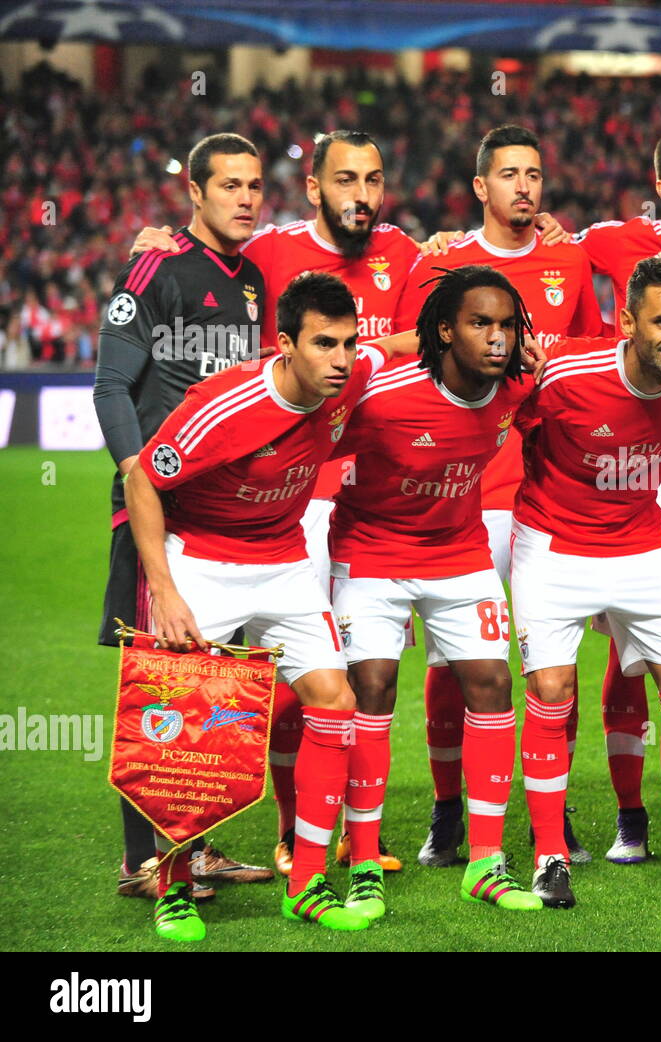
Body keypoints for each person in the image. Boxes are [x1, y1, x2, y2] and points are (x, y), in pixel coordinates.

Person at [130, 130, 422, 874]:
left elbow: (402, 348)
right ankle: (170, 875)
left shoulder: (351, 369)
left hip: (286, 550)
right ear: (286, 342)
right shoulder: (224, 407)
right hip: (205, 556)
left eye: (348, 345)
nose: (341, 359)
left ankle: (308, 862)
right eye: (325, 345)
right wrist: (163, 588)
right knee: (187, 719)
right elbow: (143, 477)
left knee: (334, 698)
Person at [394, 125, 602, 869]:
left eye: (535, 173)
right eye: (509, 174)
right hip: (458, 493)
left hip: (543, 494)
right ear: (480, 188)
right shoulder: (441, 262)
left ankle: (556, 806)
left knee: (555, 659)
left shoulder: (569, 258)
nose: (525, 186)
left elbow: (585, 359)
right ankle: (448, 813)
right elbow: (413, 365)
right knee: (455, 664)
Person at [510, 256, 661, 906]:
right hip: (554, 546)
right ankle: (550, 855)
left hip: (640, 545)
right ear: (628, 321)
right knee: (553, 688)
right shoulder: (562, 374)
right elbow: (503, 414)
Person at [328, 265, 542, 911]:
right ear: (445, 330)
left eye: (507, 325)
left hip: (458, 551)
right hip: (371, 552)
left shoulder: (517, 387)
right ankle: (362, 855)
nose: (498, 339)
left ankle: (485, 858)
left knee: (492, 682)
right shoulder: (381, 390)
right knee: (371, 687)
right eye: (481, 324)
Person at [93, 132, 272, 903]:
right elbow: (110, 386)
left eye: (254, 185)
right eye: (228, 185)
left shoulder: (255, 279)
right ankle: (144, 861)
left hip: (225, 514)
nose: (244, 197)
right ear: (194, 193)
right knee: (158, 680)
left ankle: (196, 849)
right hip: (158, 512)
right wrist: (138, 478)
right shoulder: (157, 267)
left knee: (214, 685)